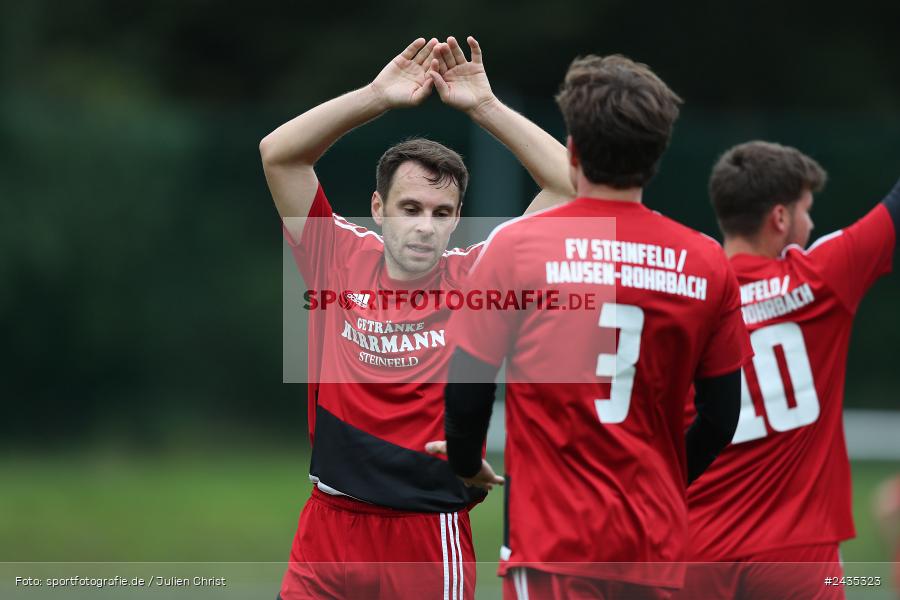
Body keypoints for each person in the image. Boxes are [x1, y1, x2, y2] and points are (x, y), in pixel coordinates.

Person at [260, 36, 574, 600]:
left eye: (441, 212)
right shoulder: (336, 255)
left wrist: (485, 108)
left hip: (428, 536)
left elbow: (571, 186)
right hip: (328, 529)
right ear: (379, 209)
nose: (424, 226)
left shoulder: (480, 275)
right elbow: (279, 152)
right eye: (409, 208)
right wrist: (376, 97)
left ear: (456, 221)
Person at [435, 54, 752, 599]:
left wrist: (465, 464)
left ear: (574, 150)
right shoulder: (706, 261)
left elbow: (469, 391)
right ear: (656, 156)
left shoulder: (518, 247)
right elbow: (721, 417)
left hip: (554, 543)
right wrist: (664, 485)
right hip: (655, 543)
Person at [680, 141, 899, 599]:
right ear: (780, 218)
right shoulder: (822, 277)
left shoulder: (681, 296)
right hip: (800, 554)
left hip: (694, 549)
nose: (811, 223)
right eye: (806, 210)